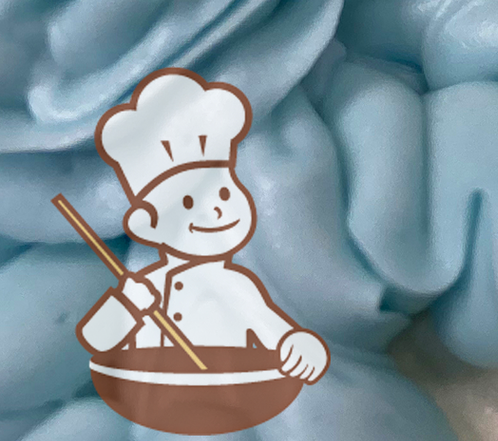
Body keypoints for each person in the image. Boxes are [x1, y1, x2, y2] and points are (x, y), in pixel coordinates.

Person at [76, 68, 329, 384]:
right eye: (187, 204)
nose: (215, 210)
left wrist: (299, 346)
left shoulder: (236, 283)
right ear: (153, 226)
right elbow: (98, 338)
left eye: (223, 192)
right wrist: (127, 302)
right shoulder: (146, 284)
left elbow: (272, 329)